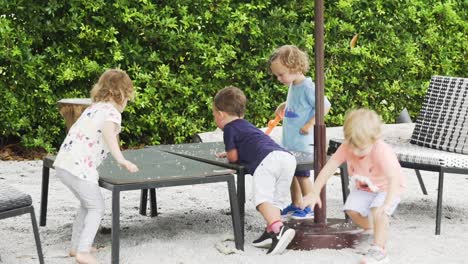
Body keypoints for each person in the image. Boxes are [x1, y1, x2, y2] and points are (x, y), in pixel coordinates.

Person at [53, 69, 139, 264]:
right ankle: (83, 252)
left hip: (64, 164)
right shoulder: (111, 113)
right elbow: (110, 136)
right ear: (122, 94)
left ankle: (76, 247)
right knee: (96, 207)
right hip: (81, 168)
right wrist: (121, 159)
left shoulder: (94, 107)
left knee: (87, 204)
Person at [300, 109, 406, 264]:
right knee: (351, 210)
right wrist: (314, 191)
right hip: (365, 186)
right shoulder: (347, 146)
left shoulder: (381, 151)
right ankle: (374, 228)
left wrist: (388, 203)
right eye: (352, 146)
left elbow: (393, 179)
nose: (355, 152)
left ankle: (379, 250)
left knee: (379, 212)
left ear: (374, 139)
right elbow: (328, 169)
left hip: (387, 187)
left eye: (361, 148)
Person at [213, 86, 297, 255]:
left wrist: (229, 154)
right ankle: (271, 232)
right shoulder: (246, 125)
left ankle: (279, 229)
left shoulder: (229, 128)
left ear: (221, 114)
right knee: (275, 200)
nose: (215, 119)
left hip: (267, 161)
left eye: (214, 115)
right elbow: (250, 143)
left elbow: (234, 158)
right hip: (286, 158)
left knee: (261, 200)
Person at [269, 44, 331, 219]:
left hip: (304, 143)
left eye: (281, 74)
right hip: (291, 142)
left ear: (295, 67)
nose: (279, 78)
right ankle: (296, 203)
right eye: (277, 75)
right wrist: (284, 105)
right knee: (291, 173)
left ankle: (310, 205)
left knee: (302, 175)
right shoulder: (294, 85)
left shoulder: (308, 87)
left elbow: (325, 106)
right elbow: (298, 106)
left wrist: (310, 123)